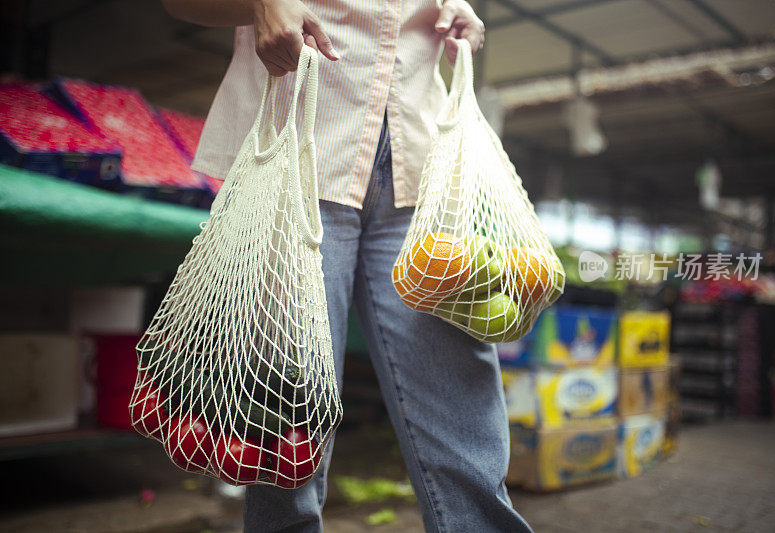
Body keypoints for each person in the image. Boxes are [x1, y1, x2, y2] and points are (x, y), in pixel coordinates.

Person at [162, 1, 533, 531]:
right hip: (298, 159)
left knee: (463, 405)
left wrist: (459, 13)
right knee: (288, 418)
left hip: (420, 174)